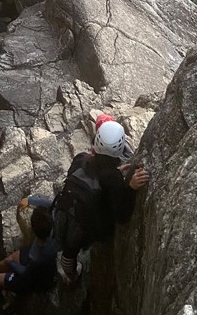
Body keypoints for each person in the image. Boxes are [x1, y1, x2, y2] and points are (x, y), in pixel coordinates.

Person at [53, 119, 149, 282]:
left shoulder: (81, 159)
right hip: (88, 225)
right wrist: (130, 187)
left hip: (69, 212)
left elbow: (92, 174)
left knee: (70, 250)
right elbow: (122, 216)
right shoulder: (112, 178)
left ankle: (71, 274)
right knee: (73, 248)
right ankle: (72, 275)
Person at [0, 204, 57, 295]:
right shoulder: (54, 232)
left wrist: (11, 263)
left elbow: (25, 273)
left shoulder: (38, 259)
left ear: (32, 230)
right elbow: (49, 202)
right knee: (5, 261)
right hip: (31, 259)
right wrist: (30, 200)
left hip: (32, 280)